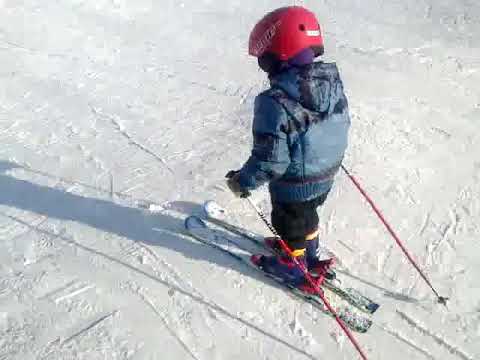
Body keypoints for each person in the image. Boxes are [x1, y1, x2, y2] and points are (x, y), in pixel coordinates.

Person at [227, 6, 351, 291]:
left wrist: (243, 181)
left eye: (264, 61)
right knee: (308, 213)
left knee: (288, 219)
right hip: (326, 173)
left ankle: (294, 268)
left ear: (277, 56)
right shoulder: (333, 84)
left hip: (295, 182)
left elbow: (270, 161)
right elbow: (338, 122)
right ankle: (309, 254)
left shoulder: (274, 101)